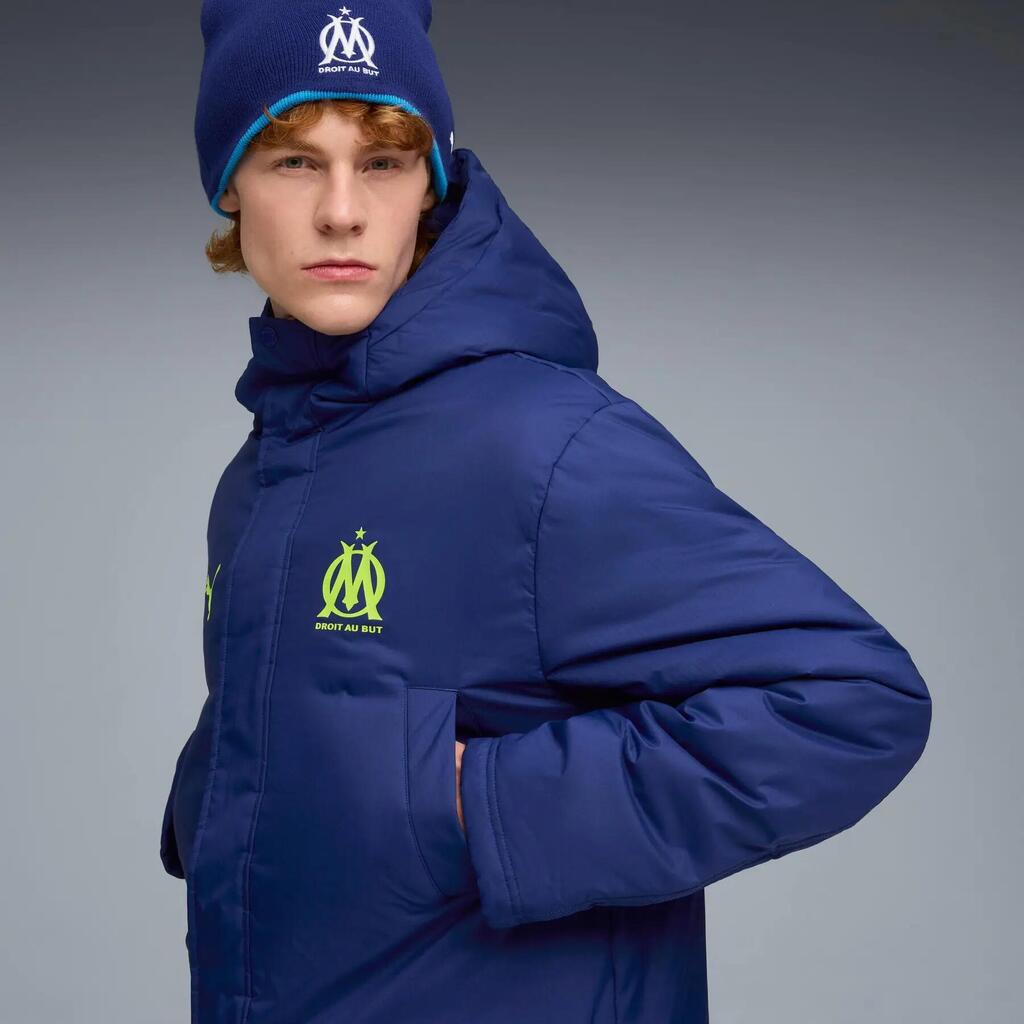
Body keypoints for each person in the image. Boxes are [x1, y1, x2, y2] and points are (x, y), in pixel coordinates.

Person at [159, 2, 933, 1022]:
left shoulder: (539, 445)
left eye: (383, 162)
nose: (342, 212)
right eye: (296, 161)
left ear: (430, 184)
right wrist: (227, 789)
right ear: (231, 184)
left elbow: (853, 701)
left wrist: (483, 806)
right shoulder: (266, 466)